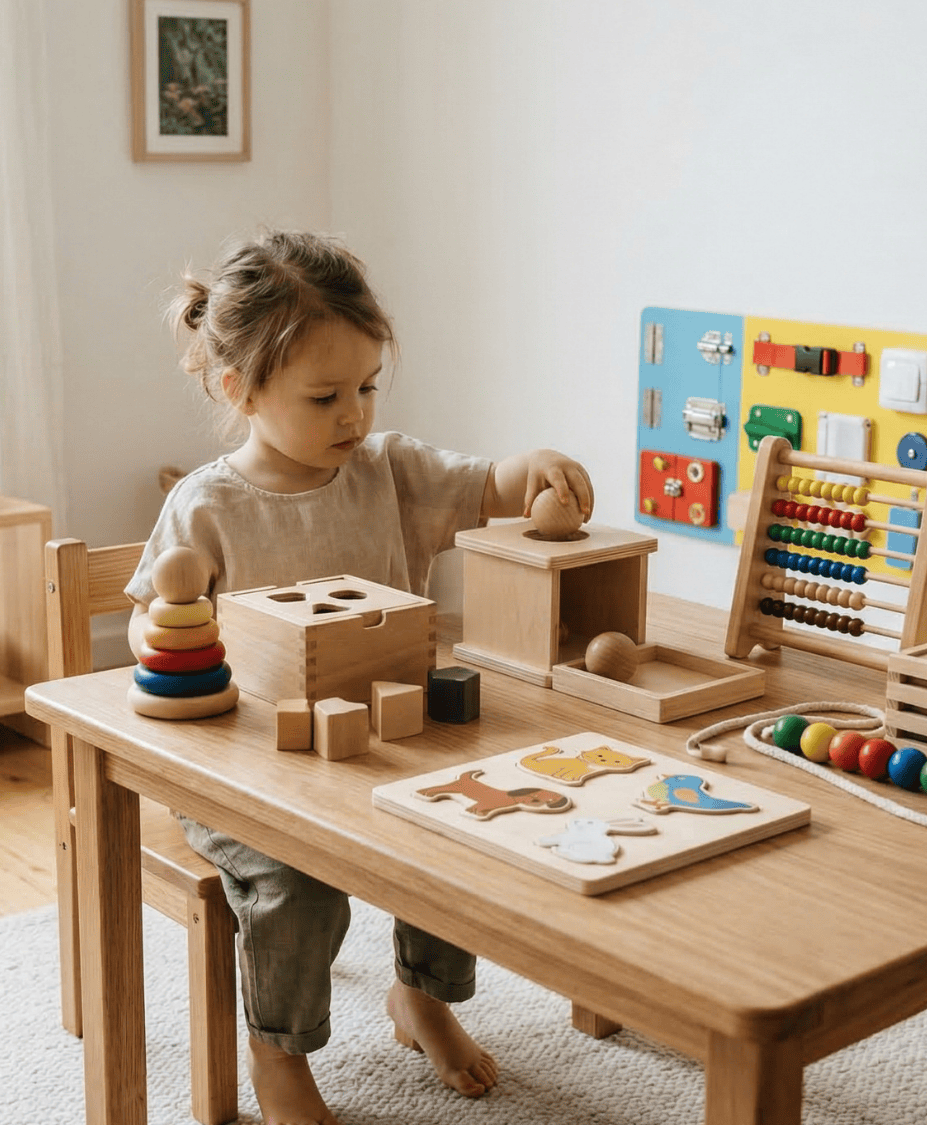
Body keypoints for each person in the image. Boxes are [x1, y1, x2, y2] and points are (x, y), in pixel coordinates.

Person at [123, 229, 592, 1125]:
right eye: (325, 395)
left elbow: (492, 482)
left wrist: (538, 469)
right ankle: (279, 1058)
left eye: (368, 387)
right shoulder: (208, 504)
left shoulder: (391, 471)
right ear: (241, 390)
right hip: (250, 764)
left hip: (386, 739)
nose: (354, 415)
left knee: (470, 818)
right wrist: (166, 626)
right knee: (296, 882)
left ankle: (422, 996)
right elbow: (159, 615)